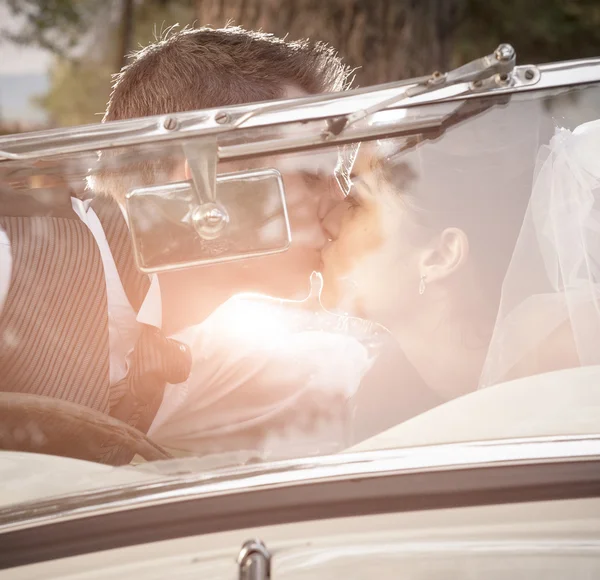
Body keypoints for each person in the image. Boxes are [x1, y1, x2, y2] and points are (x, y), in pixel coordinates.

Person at [82, 25, 396, 460]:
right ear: (208, 184)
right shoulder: (14, 264)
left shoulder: (216, 364)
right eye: (312, 173)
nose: (342, 202)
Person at [319, 92, 599, 403]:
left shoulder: (571, 359)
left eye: (357, 202)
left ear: (440, 256)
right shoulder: (371, 388)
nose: (328, 219)